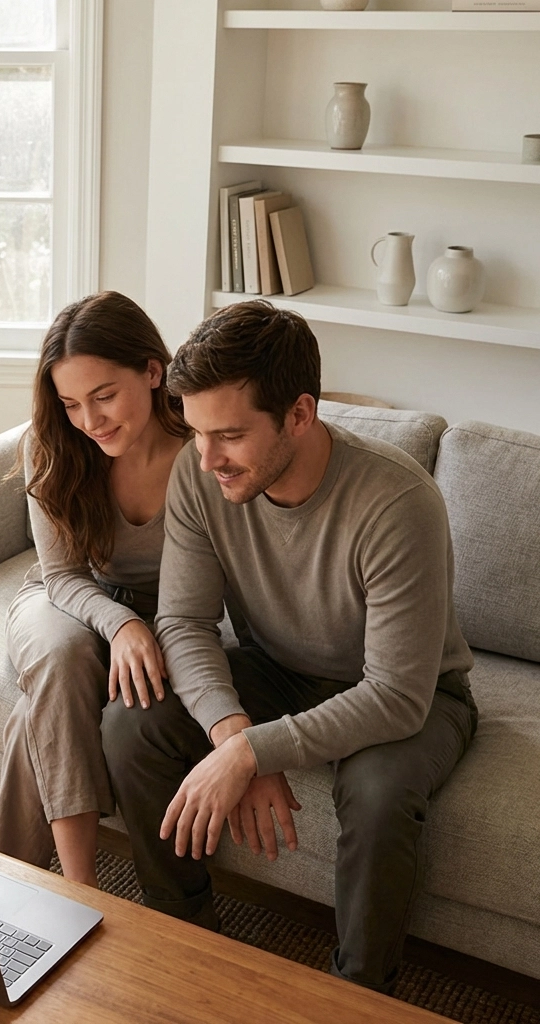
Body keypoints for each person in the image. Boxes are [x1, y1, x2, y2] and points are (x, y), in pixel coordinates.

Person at [102, 300, 477, 992]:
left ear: (299, 415)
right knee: (132, 721)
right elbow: (183, 623)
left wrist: (254, 752)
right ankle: (181, 938)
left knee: (379, 789)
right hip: (276, 671)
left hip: (414, 695)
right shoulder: (199, 471)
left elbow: (396, 694)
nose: (207, 458)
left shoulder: (398, 502)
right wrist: (233, 727)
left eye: (232, 435)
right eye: (197, 432)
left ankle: (359, 997)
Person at [0, 290, 191, 886]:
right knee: (63, 653)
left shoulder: (200, 453)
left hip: (168, 615)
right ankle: (80, 889)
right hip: (63, 598)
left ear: (153, 372)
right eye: (71, 403)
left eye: (104, 396)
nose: (90, 421)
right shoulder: (51, 446)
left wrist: (145, 627)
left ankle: (1, 883)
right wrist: (121, 624)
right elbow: (63, 576)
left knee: (37, 716)